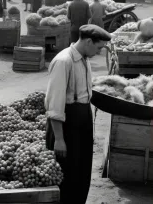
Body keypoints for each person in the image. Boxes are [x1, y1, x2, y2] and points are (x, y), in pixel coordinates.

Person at [45, 25, 111, 204]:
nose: (98, 53)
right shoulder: (63, 61)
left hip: (82, 119)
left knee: (82, 171)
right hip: (67, 125)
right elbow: (55, 105)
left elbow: (86, 91)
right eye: (98, 48)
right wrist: (59, 138)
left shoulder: (84, 58)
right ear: (89, 41)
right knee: (67, 175)